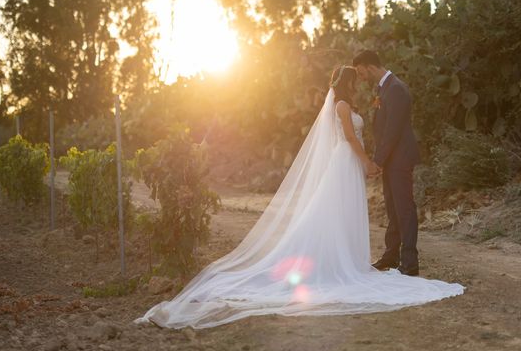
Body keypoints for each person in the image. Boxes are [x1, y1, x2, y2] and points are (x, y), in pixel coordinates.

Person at [134, 65, 463, 329]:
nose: (361, 84)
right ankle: (342, 262)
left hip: (347, 163)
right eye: (356, 79)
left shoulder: (344, 103)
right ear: (349, 82)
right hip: (346, 162)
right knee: (339, 211)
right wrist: (367, 162)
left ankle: (348, 257)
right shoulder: (343, 105)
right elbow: (349, 137)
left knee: (343, 212)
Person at [352, 51, 421, 276]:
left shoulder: (396, 89)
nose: (360, 77)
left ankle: (410, 262)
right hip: (391, 158)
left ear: (368, 66)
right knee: (393, 208)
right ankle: (392, 255)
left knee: (404, 208)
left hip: (399, 157)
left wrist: (377, 161)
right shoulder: (384, 88)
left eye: (360, 71)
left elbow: (393, 130)